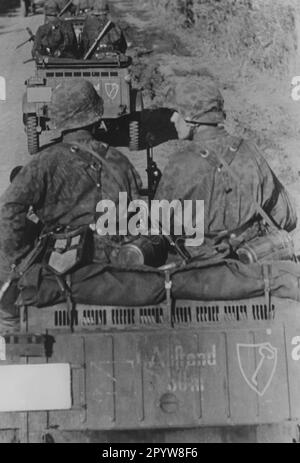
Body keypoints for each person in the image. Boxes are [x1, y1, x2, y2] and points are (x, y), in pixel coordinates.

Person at [0, 79, 142, 332]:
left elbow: (9, 209)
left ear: (58, 121)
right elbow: (137, 216)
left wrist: (19, 260)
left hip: (59, 268)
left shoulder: (44, 162)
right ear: (96, 118)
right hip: (117, 268)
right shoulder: (120, 161)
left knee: (7, 314)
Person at [155, 76, 298, 260]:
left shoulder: (180, 163)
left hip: (201, 273)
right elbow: (285, 215)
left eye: (178, 112)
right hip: (252, 268)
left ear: (192, 119)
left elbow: (159, 229)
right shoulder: (250, 150)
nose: (173, 118)